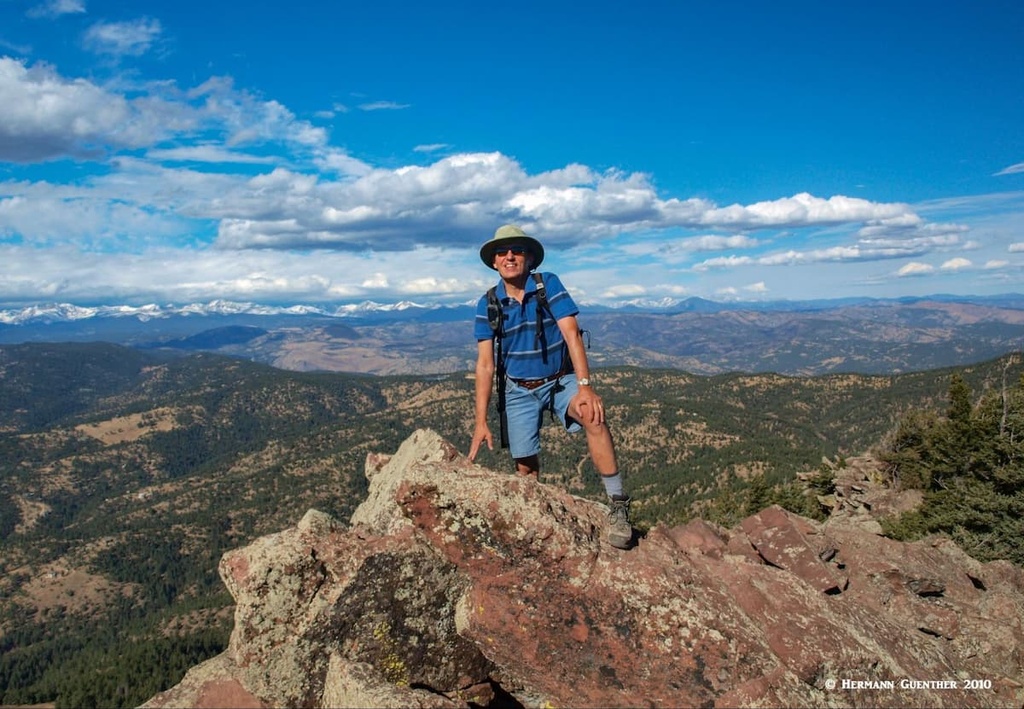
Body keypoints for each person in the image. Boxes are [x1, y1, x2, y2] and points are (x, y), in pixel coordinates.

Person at [468, 224, 634, 549]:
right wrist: (480, 421)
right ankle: (536, 527)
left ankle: (618, 505)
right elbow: (485, 364)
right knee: (525, 469)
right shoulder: (487, 304)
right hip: (518, 389)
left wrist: (585, 387)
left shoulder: (547, 284)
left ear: (529, 258)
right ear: (494, 261)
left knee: (593, 416)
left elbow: (571, 333)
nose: (510, 256)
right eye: (502, 251)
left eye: (517, 250)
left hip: (560, 380)